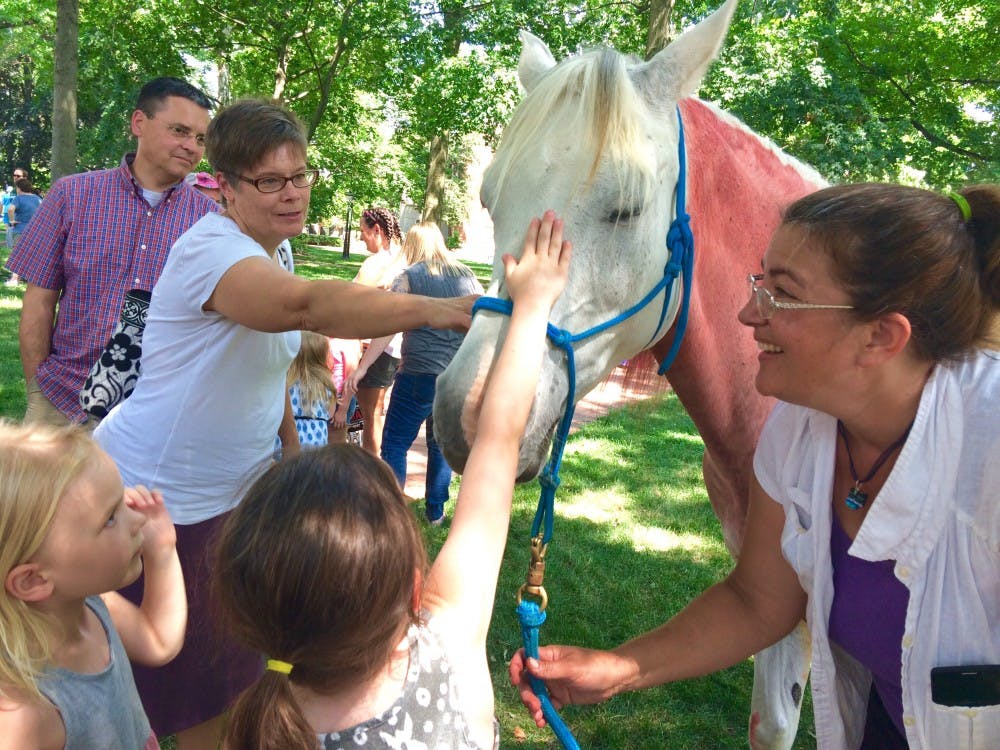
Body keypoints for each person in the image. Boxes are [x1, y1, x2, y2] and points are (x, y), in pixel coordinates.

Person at [510, 184, 1000, 750]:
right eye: (759, 282)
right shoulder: (799, 429)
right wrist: (620, 667)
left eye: (782, 294)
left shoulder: (986, 445)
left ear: (881, 336)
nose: (748, 312)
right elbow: (759, 599)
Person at [92, 97, 475, 750]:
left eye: (299, 176)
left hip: (230, 502)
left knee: (228, 684)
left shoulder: (276, 252)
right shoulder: (213, 251)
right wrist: (437, 311)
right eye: (270, 181)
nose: (291, 193)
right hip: (153, 500)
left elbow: (267, 372)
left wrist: (294, 452)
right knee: (149, 698)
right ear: (225, 188)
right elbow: (305, 308)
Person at [213, 209, 571, 750]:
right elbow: (496, 450)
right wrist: (533, 307)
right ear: (413, 588)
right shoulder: (445, 660)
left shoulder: (258, 729)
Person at [5, 77, 219, 427]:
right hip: (61, 400)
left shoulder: (210, 222)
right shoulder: (72, 195)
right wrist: (36, 391)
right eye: (179, 130)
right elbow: (39, 301)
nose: (191, 147)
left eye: (200, 139)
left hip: (154, 416)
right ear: (139, 123)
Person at [0, 421, 185, 749]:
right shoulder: (26, 714)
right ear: (33, 580)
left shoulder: (94, 604)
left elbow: (157, 640)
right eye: (110, 518)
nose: (138, 519)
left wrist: (163, 552)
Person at [343, 221, 484, 524]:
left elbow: (387, 327)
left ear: (412, 245)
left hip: (418, 374)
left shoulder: (409, 277)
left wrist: (363, 366)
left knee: (395, 443)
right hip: (455, 376)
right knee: (440, 443)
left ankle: (391, 515)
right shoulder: (468, 277)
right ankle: (436, 511)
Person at [350, 207, 407, 456]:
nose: (362, 238)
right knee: (377, 410)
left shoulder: (377, 263)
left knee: (368, 413)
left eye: (364, 231)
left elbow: (353, 301)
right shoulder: (405, 259)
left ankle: (372, 471)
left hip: (374, 346)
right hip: (397, 348)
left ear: (377, 230)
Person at [284, 330, 338, 450]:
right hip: (316, 442)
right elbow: (330, 414)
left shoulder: (286, 382)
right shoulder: (326, 384)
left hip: (286, 439)